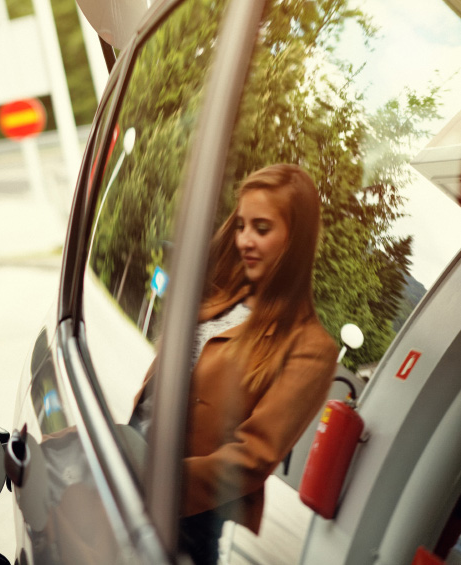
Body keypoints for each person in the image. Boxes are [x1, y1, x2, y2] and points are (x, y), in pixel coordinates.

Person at [130, 164, 338, 564]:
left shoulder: (310, 346)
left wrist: (153, 477)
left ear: (296, 240)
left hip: (184, 519)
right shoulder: (220, 294)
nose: (244, 240)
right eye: (241, 225)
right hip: (130, 465)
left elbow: (252, 458)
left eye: (262, 228)